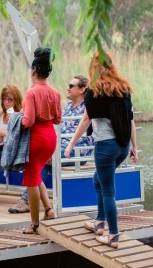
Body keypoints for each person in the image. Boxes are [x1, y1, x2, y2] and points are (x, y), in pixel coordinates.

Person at [65, 53, 138, 248]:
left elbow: (87, 119)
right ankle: (99, 222)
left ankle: (113, 236)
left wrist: (71, 143)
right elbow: (130, 119)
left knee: (108, 191)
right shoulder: (123, 88)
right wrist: (134, 147)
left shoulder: (94, 90)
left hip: (105, 146)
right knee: (98, 179)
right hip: (123, 146)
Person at [8, 74, 94, 213]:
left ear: (82, 89)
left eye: (71, 86)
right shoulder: (68, 106)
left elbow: (85, 135)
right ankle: (40, 206)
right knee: (40, 158)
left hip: (77, 149)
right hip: (60, 146)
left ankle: (27, 201)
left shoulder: (88, 107)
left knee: (40, 160)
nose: (68, 88)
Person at [20, 48, 62, 234]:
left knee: (31, 179)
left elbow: (27, 121)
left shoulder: (31, 93)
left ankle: (35, 224)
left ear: (33, 71)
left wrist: (15, 122)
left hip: (36, 138)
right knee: (36, 175)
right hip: (50, 138)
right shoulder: (55, 93)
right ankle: (49, 210)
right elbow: (58, 119)